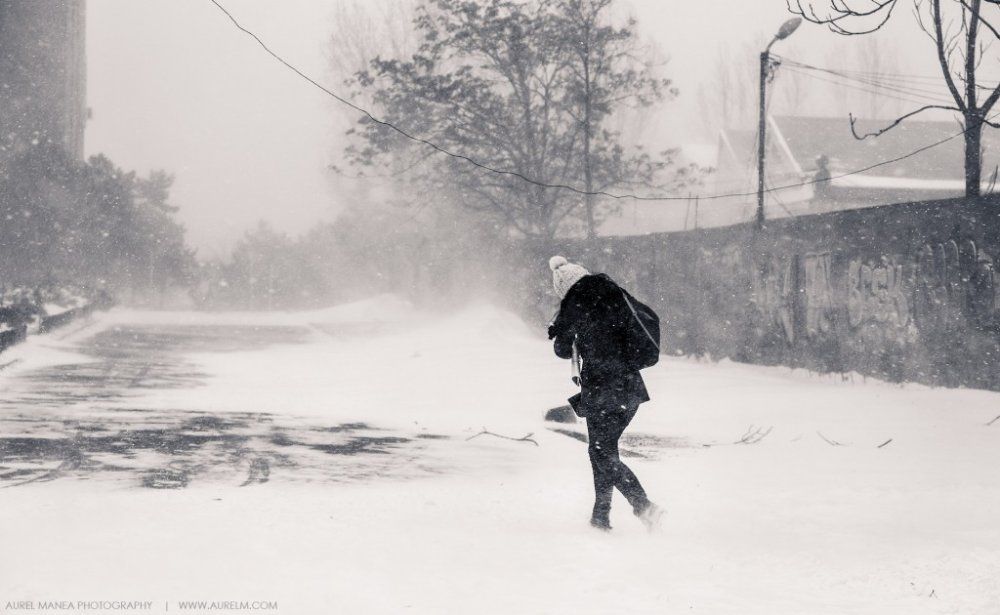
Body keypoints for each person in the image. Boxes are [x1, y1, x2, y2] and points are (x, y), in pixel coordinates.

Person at [546, 255, 662, 531]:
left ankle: (644, 506)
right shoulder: (614, 293)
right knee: (602, 450)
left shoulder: (574, 306)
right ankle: (601, 516)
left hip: (602, 387)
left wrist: (560, 329)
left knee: (601, 453)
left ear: (564, 287)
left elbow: (562, 351)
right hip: (630, 387)